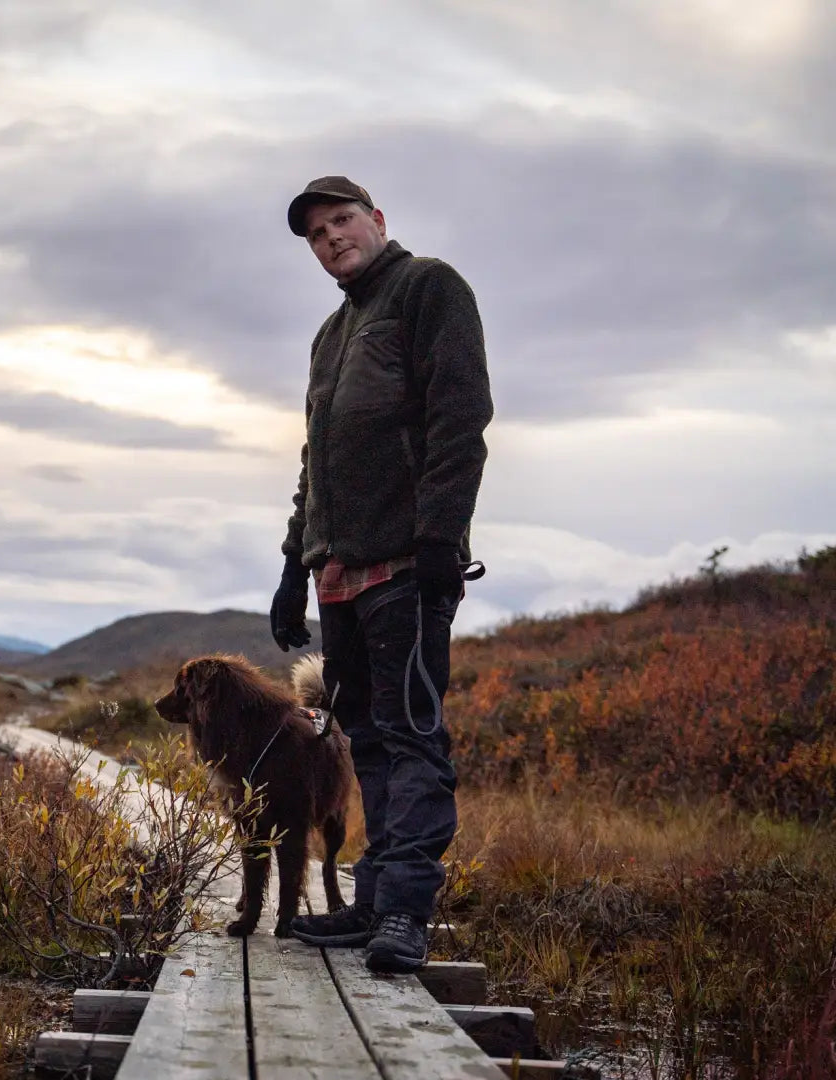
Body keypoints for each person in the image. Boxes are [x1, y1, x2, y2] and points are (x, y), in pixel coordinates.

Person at [269, 176, 493, 973]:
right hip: (339, 571)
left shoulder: (427, 288)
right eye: (317, 234)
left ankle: (404, 912)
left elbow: (460, 414)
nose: (332, 238)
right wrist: (295, 565)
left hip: (405, 566)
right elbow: (315, 461)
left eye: (342, 221)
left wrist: (440, 536)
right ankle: (370, 904)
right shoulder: (332, 334)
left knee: (410, 737)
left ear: (377, 220)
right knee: (364, 738)